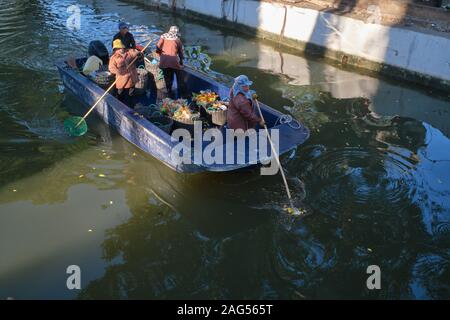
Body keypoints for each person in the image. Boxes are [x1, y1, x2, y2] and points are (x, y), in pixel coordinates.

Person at [108, 39, 142, 108]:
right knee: (120, 94)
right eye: (119, 48)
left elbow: (137, 53)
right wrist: (119, 72)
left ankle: (131, 107)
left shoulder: (129, 52)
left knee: (131, 94)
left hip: (132, 78)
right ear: (115, 49)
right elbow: (111, 68)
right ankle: (120, 107)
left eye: (122, 47)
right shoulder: (114, 58)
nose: (121, 49)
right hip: (122, 80)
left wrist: (140, 55)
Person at [155, 26, 185, 98]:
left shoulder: (163, 37)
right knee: (179, 75)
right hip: (173, 61)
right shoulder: (177, 40)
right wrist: (181, 62)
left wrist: (160, 53)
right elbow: (181, 52)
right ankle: (182, 94)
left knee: (167, 77)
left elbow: (158, 46)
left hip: (164, 61)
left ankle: (169, 91)